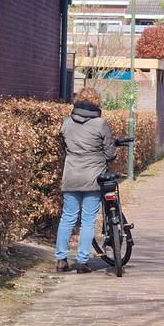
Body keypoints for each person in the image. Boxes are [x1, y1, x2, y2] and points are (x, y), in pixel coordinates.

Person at [55, 88, 117, 274]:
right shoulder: (100, 124)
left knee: (67, 217)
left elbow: (63, 147)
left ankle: (61, 259)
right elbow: (110, 153)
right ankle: (82, 261)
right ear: (96, 103)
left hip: (71, 175)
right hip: (93, 177)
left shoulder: (66, 123)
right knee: (88, 220)